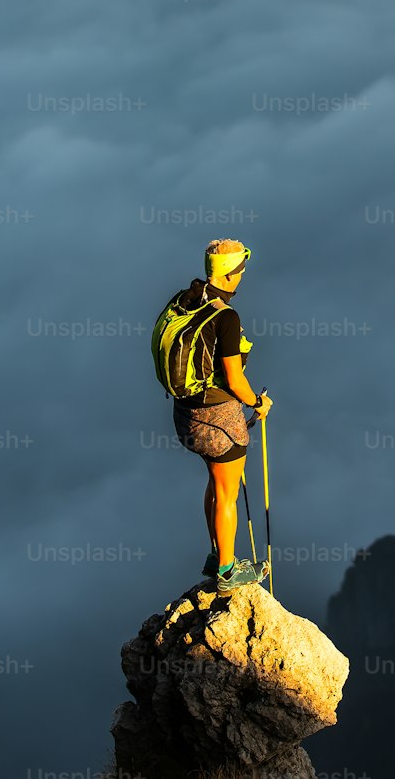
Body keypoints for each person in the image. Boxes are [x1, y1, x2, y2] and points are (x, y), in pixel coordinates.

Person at [168, 238, 273, 593]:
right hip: (218, 422)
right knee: (227, 493)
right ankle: (227, 572)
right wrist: (258, 402)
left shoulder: (187, 300)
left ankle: (217, 554)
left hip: (186, 416)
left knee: (215, 483)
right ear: (231, 275)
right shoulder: (225, 317)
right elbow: (234, 378)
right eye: (241, 271)